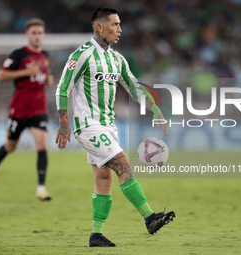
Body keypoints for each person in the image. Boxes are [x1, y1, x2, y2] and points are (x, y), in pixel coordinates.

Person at [55, 7, 175, 247]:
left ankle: (96, 235)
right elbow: (62, 88)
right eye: (115, 25)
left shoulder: (117, 59)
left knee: (104, 179)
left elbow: (133, 87)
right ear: (100, 27)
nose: (120, 29)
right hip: (87, 125)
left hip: (108, 126)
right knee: (123, 163)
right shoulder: (82, 55)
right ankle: (150, 218)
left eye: (120, 25)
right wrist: (63, 122)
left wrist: (155, 110)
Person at [0, 18, 54, 201]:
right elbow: (1, 75)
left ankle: (41, 188)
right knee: (11, 146)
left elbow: (43, 74)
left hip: (39, 109)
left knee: (42, 145)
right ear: (27, 35)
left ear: (44, 35)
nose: (37, 36)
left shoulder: (45, 55)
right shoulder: (18, 54)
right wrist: (25, 72)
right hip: (19, 110)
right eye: (34, 33)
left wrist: (48, 79)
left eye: (40, 32)